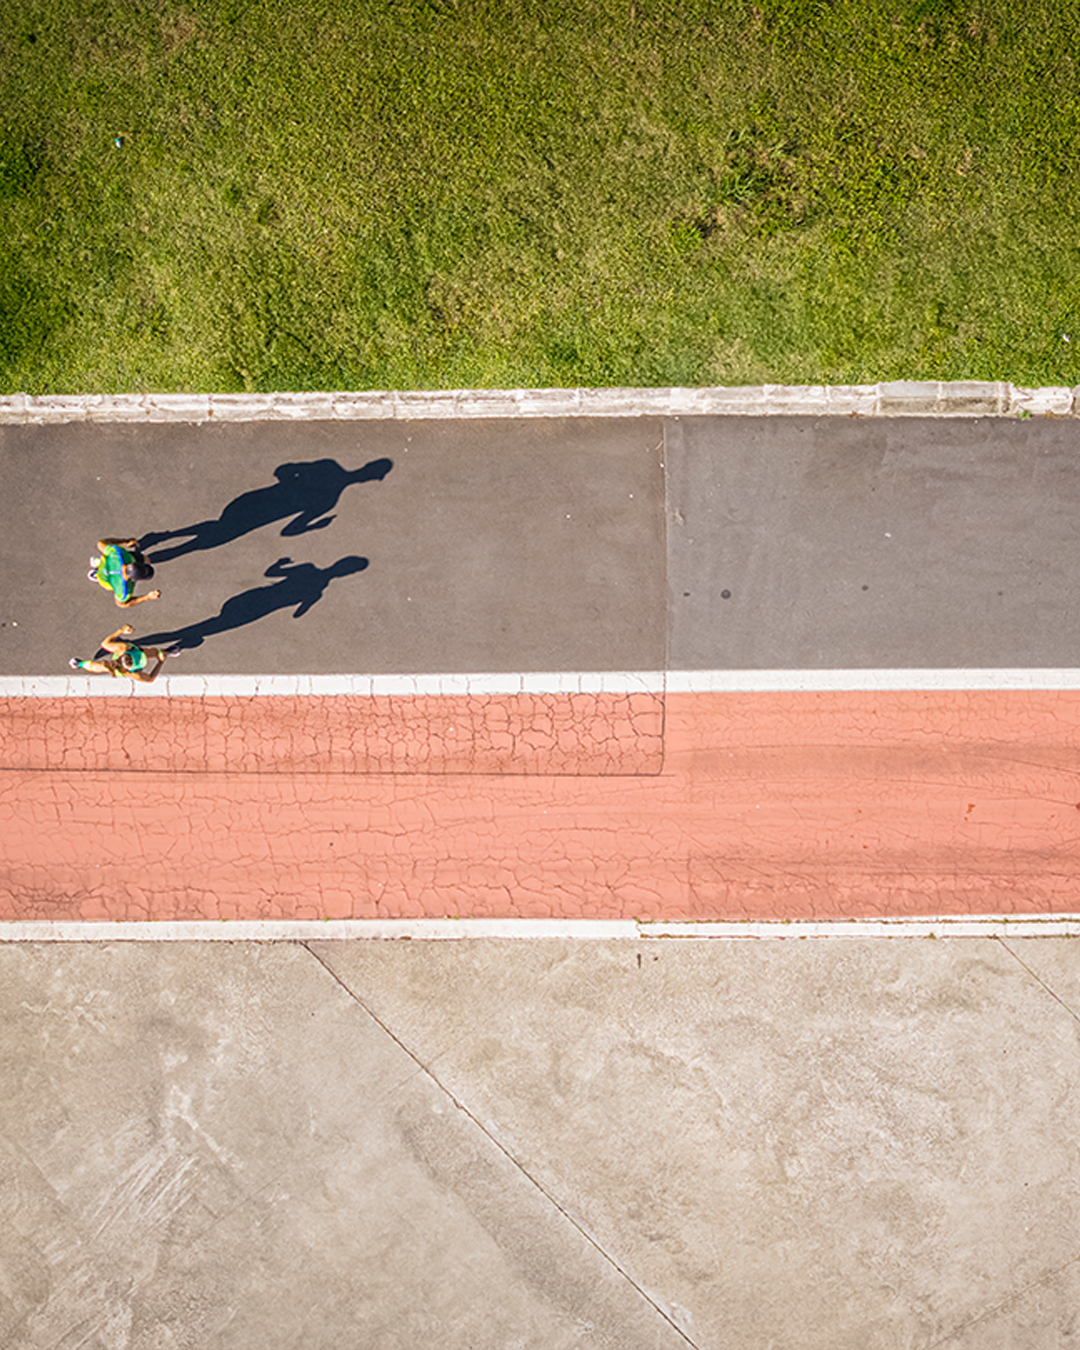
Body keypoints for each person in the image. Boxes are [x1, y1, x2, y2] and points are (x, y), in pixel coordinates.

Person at [69, 625, 181, 683]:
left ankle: (165, 652)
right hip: (118, 668)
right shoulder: (132, 674)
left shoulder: (123, 648)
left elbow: (105, 644)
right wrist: (160, 663)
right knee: (102, 667)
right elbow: (150, 679)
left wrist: (121, 630)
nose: (142, 657)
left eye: (138, 657)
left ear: (129, 652)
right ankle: (80, 664)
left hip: (126, 652)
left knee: (149, 651)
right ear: (132, 669)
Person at [87, 537, 161, 607]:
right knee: (146, 560)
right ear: (133, 580)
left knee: (145, 559)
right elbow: (121, 604)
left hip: (112, 562)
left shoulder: (118, 554)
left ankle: (101, 563)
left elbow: (100, 543)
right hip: (105, 580)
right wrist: (147, 597)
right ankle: (98, 574)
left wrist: (126, 541)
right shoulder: (123, 589)